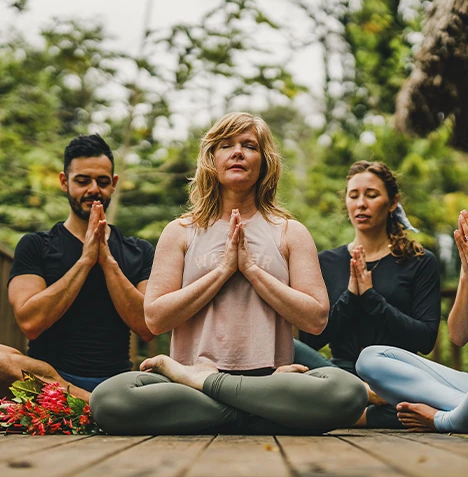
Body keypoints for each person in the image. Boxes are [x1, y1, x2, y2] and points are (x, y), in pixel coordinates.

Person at [90, 112, 368, 435]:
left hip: (271, 381)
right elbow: (154, 318)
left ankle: (219, 397)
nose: (237, 152)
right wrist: (223, 271)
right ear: (212, 159)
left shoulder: (290, 232)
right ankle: (259, 414)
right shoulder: (180, 232)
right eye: (226, 145)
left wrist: (250, 269)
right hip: (190, 381)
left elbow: (317, 318)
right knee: (109, 399)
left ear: (264, 162)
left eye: (249, 145)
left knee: (350, 392)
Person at [0, 134, 154, 402]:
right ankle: (93, 405)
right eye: (82, 181)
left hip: (115, 384)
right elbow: (30, 322)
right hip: (45, 383)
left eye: (102, 182)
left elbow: (148, 327)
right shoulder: (35, 245)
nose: (93, 189)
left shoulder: (139, 251)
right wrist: (84, 261)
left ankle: (92, 404)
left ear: (114, 184)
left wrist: (107, 261)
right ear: (64, 182)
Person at [295, 160, 441, 428]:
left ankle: (355, 413)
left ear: (392, 202)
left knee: (422, 408)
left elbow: (426, 339)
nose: (361, 203)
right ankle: (361, 396)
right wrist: (351, 296)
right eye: (354, 196)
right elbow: (310, 339)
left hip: (395, 378)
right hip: (338, 376)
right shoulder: (326, 262)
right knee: (289, 348)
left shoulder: (419, 261)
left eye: (371, 195)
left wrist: (372, 298)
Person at [356, 209, 468, 433]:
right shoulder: (334, 259)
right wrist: (466, 272)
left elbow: (426, 336)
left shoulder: (421, 261)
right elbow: (458, 335)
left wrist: (439, 419)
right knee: (371, 358)